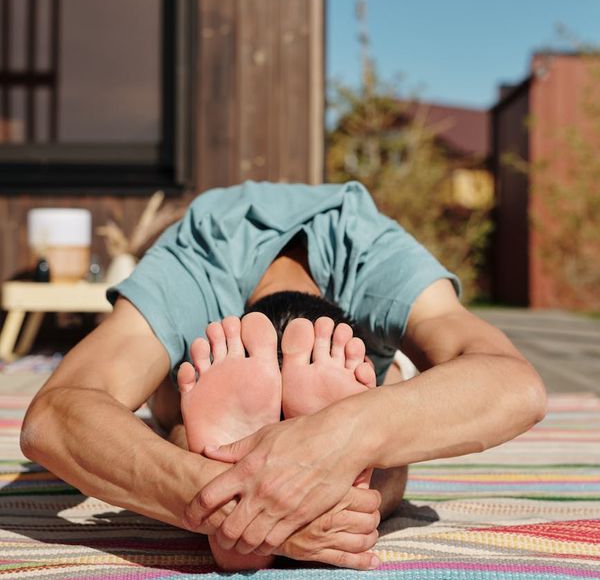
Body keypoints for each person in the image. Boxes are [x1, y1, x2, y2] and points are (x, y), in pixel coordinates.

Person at [20, 181, 547, 571]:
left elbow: (512, 385)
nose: (276, 463)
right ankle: (307, 475)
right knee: (170, 400)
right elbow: (55, 416)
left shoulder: (375, 254)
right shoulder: (188, 260)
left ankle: (224, 442)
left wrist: (342, 433)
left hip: (329, 294)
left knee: (384, 423)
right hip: (203, 282)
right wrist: (226, 501)